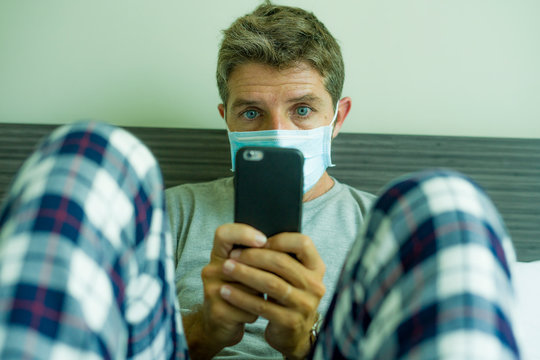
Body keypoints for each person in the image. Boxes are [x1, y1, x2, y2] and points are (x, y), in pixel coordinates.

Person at [0, 2, 520, 360]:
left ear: (338, 118)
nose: (277, 133)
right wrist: (205, 330)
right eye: (252, 112)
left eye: (301, 109)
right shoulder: (163, 214)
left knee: (445, 202)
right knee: (90, 156)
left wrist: (304, 340)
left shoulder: (386, 232)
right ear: (225, 117)